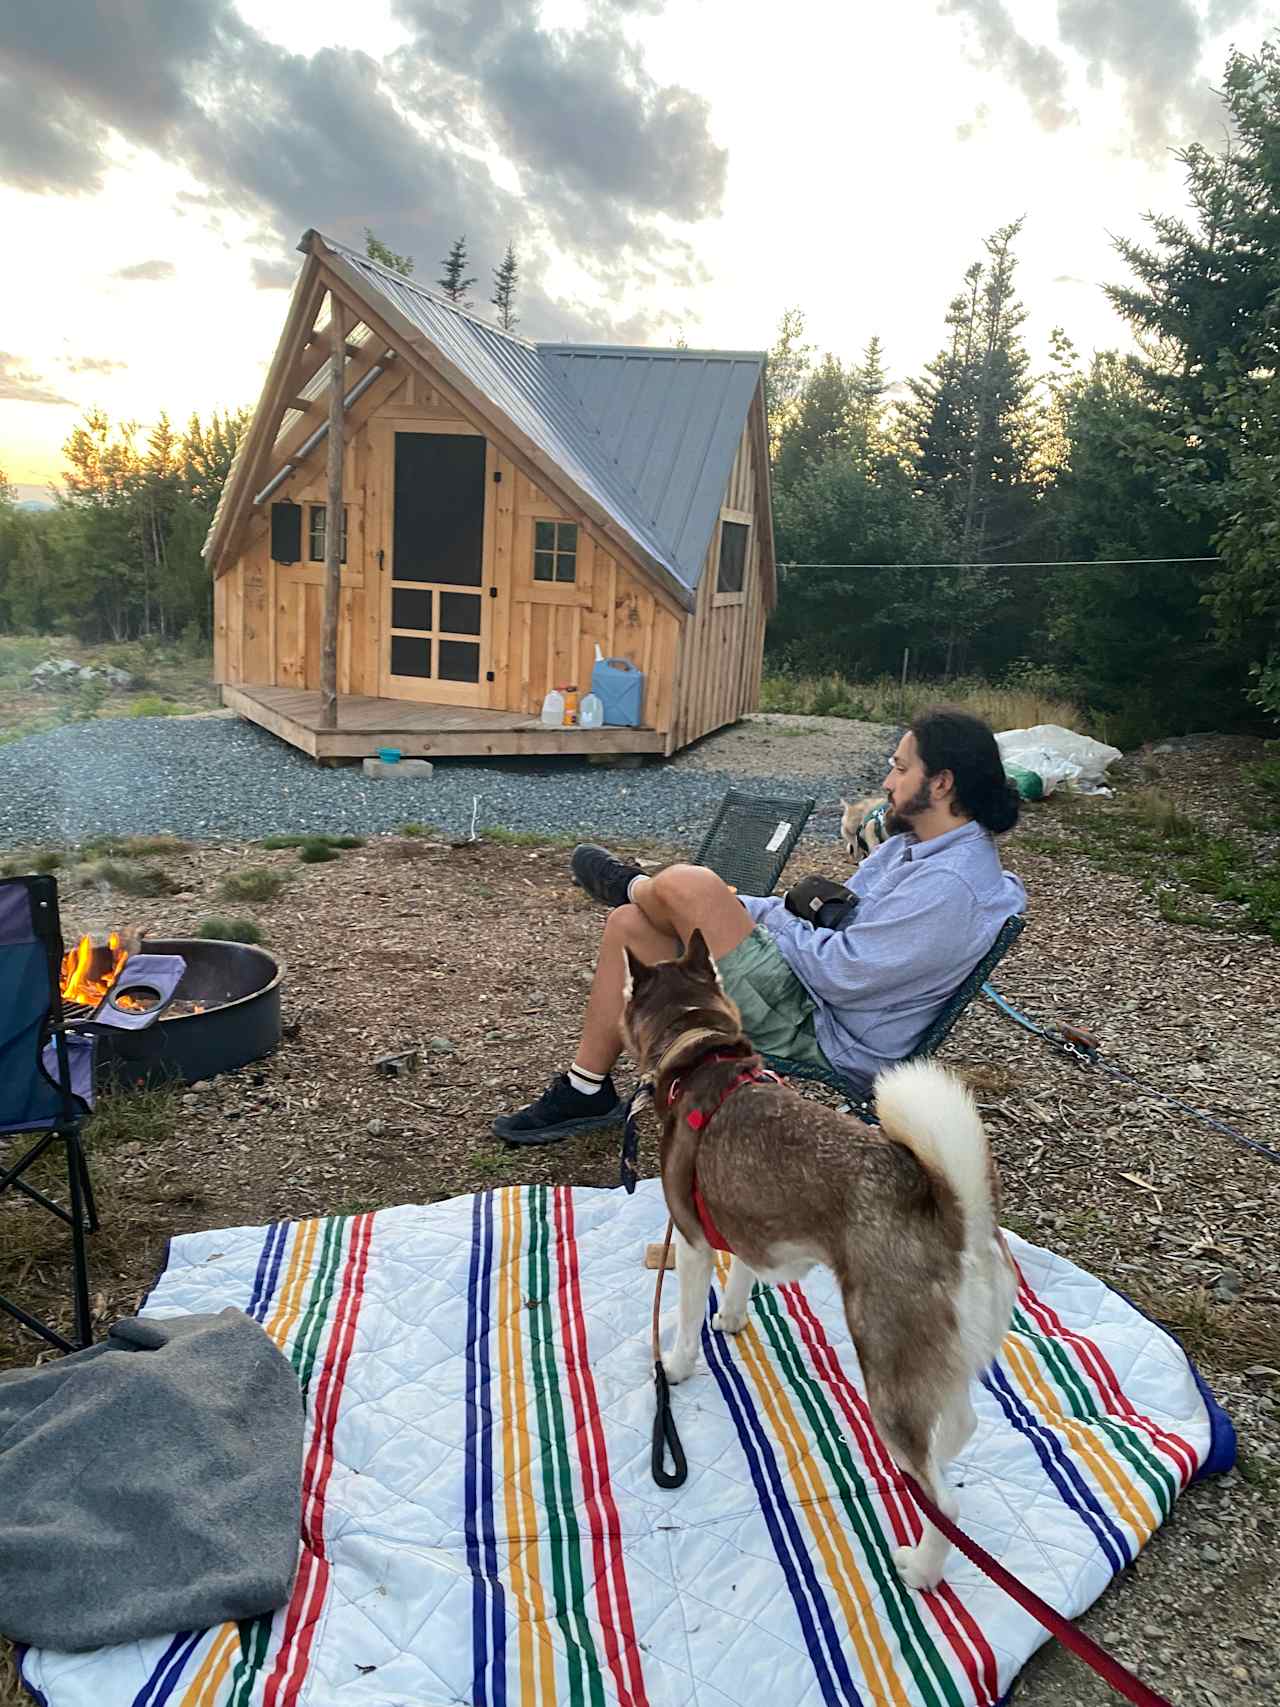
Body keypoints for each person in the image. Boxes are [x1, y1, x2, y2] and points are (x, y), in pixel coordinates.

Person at [492, 707, 1027, 1145]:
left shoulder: (950, 887)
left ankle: (632, 881)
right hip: (815, 996)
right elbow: (829, 921)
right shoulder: (916, 850)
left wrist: (747, 919)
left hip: (826, 1031)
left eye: (900, 768)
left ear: (942, 781)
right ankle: (587, 1089)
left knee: (689, 886)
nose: (887, 782)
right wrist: (746, 911)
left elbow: (843, 972)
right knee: (632, 923)